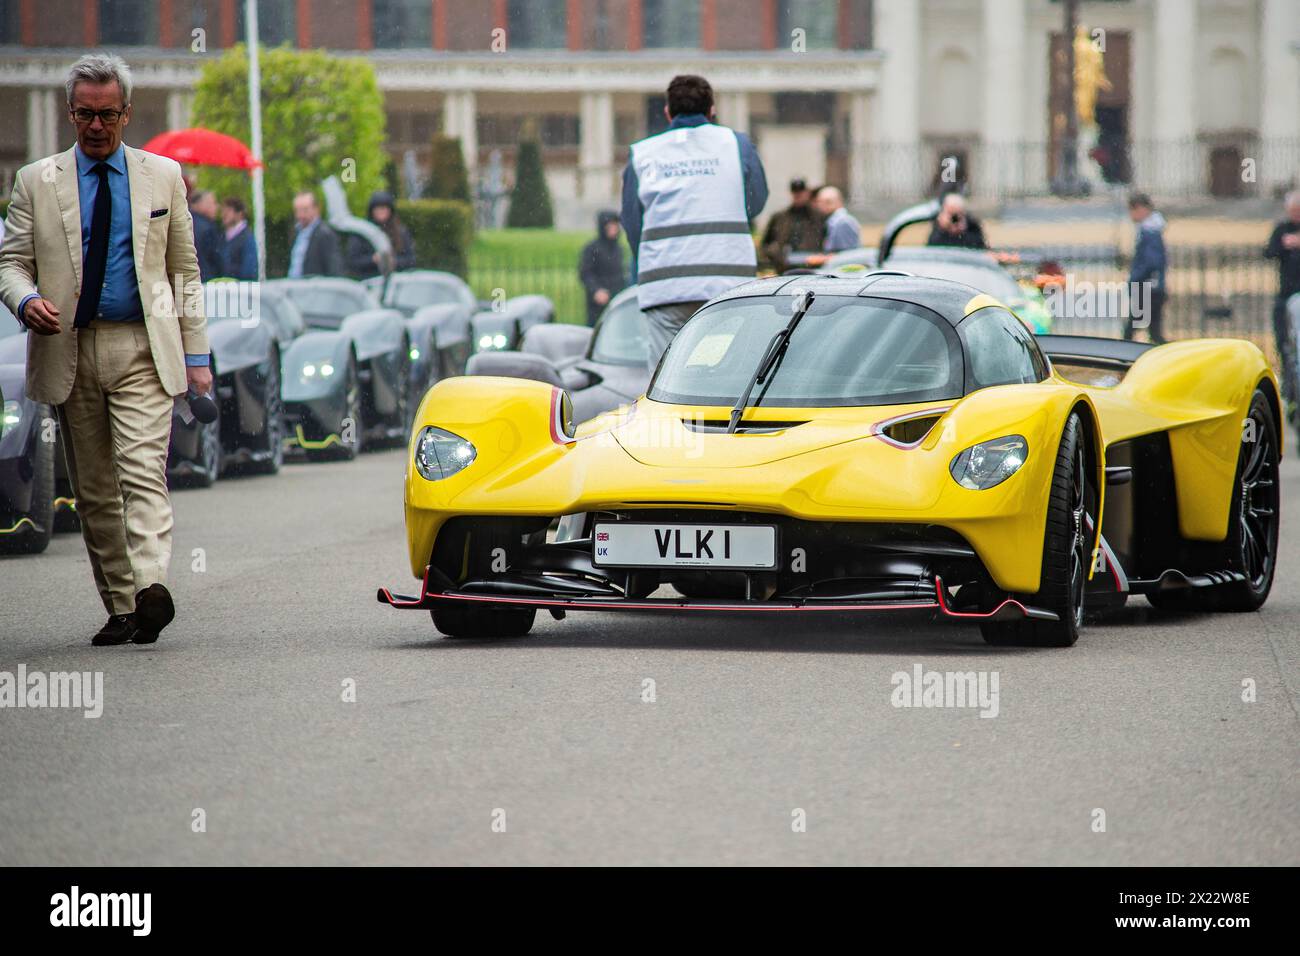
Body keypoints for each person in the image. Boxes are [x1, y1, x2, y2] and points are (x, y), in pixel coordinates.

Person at [0, 54, 210, 646]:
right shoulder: (35, 181)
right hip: (68, 348)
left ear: (126, 113)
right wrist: (24, 301)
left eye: (108, 115)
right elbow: (10, 262)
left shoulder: (162, 176)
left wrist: (198, 361)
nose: (97, 126)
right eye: (86, 114)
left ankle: (150, 586)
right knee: (94, 489)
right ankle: (123, 607)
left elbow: (184, 271)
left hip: (143, 347)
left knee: (143, 472)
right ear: (70, 113)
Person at [622, 74, 768, 371]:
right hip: (728, 284)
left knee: (666, 381)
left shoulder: (643, 154)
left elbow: (631, 221)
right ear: (712, 109)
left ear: (667, 111)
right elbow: (756, 201)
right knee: (726, 378)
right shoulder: (736, 145)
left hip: (666, 286)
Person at [1264, 191, 1300, 411]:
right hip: (1285, 292)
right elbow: (1269, 252)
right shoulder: (1282, 229)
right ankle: (1288, 384)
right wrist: (1284, 244)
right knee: (1283, 340)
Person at [1123, 192, 1168, 344]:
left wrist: (1135, 278)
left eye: (1132, 210)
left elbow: (1151, 261)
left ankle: (1122, 360)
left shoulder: (1149, 232)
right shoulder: (1152, 229)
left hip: (1147, 288)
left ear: (1141, 209)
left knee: (1132, 329)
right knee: (1153, 332)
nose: (1131, 215)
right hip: (1152, 288)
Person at [346, 189, 415, 279]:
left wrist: (394, 262)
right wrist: (373, 259)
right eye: (378, 208)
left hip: (395, 282)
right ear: (372, 210)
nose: (381, 211)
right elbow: (352, 262)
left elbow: (410, 260)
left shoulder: (400, 232)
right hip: (369, 281)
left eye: (384, 208)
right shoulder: (362, 232)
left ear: (390, 210)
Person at [760, 178, 825, 270]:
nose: (798, 195)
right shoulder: (779, 217)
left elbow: (826, 240)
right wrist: (775, 254)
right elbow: (765, 244)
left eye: (801, 192)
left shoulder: (818, 217)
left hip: (812, 265)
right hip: (784, 266)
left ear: (807, 193)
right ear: (791, 193)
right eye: (795, 192)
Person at [578, 211, 627, 325]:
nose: (614, 229)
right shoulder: (592, 248)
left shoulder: (618, 249)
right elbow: (585, 273)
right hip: (598, 304)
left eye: (616, 225)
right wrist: (596, 290)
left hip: (617, 296)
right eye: (610, 225)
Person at [288, 190, 344, 278]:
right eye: (297, 210)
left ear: (316, 209)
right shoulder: (298, 233)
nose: (300, 215)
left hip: (314, 289)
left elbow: (334, 269)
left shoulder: (325, 234)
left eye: (305, 210)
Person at [188, 188, 224, 281]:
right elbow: (218, 260)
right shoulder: (208, 228)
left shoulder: (183, 223)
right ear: (201, 204)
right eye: (213, 203)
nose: (217, 207)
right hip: (206, 283)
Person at [813, 185, 861, 253]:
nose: (818, 206)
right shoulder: (834, 222)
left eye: (819, 202)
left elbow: (846, 254)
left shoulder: (843, 222)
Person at [219, 196, 258, 281]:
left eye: (228, 211)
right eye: (222, 211)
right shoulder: (222, 237)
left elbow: (249, 270)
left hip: (239, 290)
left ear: (239, 214)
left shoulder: (247, 238)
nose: (224, 214)